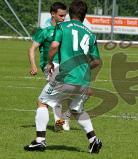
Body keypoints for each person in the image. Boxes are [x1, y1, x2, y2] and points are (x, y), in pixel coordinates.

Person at [24, 0, 102, 153]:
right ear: (84, 16)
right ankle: (94, 140)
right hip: (84, 79)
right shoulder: (91, 34)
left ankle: (40, 140)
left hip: (65, 75)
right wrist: (85, 67)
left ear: (69, 14)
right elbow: (97, 61)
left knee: (42, 102)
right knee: (76, 109)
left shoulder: (62, 26)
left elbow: (54, 46)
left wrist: (49, 62)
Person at [28, 2, 71, 131]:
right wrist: (33, 66)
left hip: (64, 65)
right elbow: (32, 49)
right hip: (49, 66)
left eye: (65, 16)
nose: (63, 18)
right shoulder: (44, 32)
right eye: (61, 15)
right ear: (53, 14)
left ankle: (61, 121)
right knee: (58, 92)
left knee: (59, 93)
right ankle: (61, 121)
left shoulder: (64, 30)